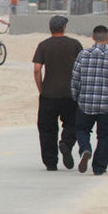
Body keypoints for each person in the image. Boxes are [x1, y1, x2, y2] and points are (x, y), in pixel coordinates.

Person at [71, 25, 108, 176]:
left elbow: (75, 78)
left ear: (93, 38)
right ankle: (99, 167)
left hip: (85, 102)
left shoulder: (83, 55)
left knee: (82, 129)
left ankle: (85, 149)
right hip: (106, 104)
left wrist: (75, 96)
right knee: (104, 135)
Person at [32, 15, 84, 171]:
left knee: (47, 128)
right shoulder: (75, 44)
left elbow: (37, 69)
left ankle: (50, 162)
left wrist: (41, 88)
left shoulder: (44, 45)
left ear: (50, 29)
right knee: (73, 123)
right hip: (70, 93)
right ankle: (66, 143)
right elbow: (82, 67)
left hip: (49, 93)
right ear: (64, 28)